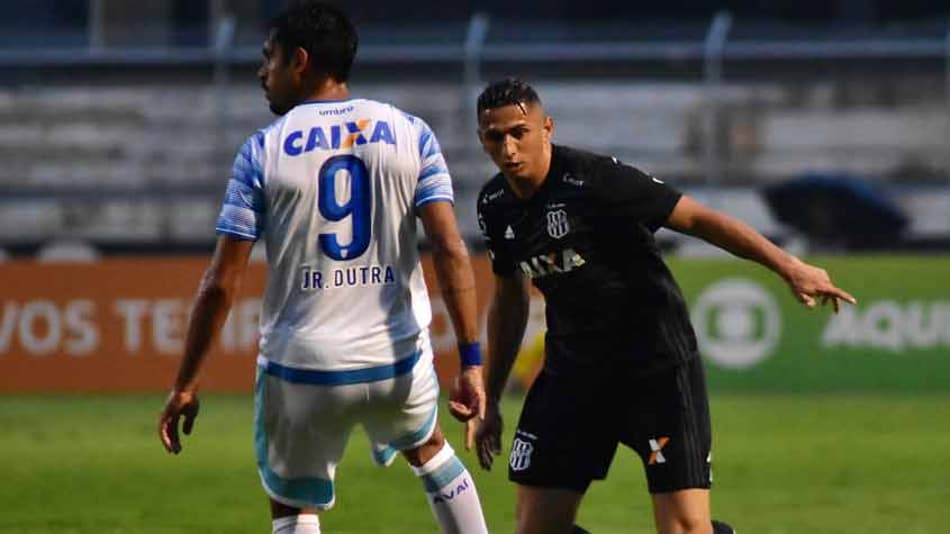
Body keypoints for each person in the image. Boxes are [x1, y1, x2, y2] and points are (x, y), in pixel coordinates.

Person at [157, 3, 489, 533]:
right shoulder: (410, 133)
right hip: (395, 359)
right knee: (430, 450)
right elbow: (450, 249)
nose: (261, 71)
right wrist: (471, 360)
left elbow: (221, 283)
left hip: (302, 366)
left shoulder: (261, 153)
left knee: (291, 506)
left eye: (269, 58)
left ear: (301, 62)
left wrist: (185, 385)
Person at [472, 78, 855, 534]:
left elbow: (697, 218)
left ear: (546, 128)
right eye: (495, 136)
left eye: (520, 132)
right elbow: (510, 298)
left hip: (653, 368)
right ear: (482, 139)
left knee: (684, 529)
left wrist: (789, 266)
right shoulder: (494, 206)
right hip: (572, 375)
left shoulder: (595, 181)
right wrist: (491, 396)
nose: (509, 147)